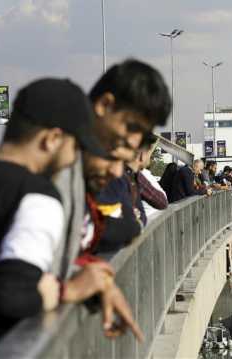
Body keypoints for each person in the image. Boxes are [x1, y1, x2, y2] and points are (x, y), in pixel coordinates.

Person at [0, 79, 141, 357]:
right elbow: (13, 294)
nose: (73, 160)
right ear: (52, 139)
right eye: (75, 147)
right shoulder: (38, 196)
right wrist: (68, 289)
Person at [54, 59, 171, 281]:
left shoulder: (100, 175)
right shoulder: (53, 173)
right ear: (105, 105)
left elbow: (129, 225)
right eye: (133, 128)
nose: (118, 171)